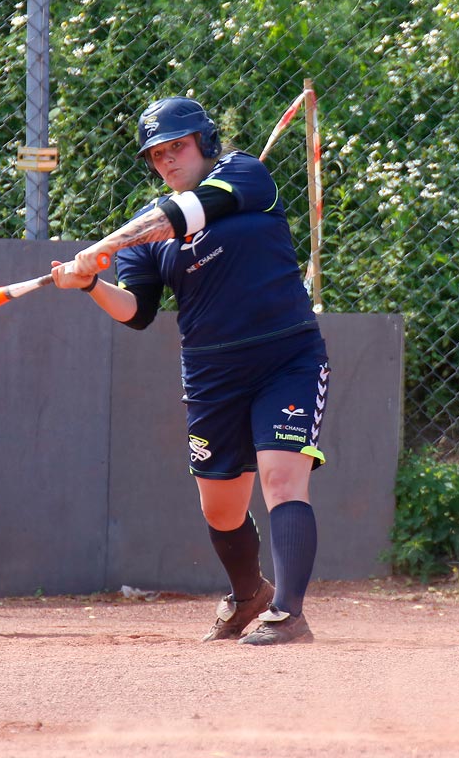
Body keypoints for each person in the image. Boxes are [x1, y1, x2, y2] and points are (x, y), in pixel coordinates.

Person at [53, 96, 330, 645]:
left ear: (204, 141)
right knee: (221, 507)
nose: (168, 160)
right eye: (157, 154)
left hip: (286, 357)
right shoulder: (146, 234)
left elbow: (184, 215)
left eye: (177, 146)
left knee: (280, 478)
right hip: (212, 376)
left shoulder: (246, 175)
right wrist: (88, 282)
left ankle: (289, 613)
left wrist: (104, 244)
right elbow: (135, 311)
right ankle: (249, 592)